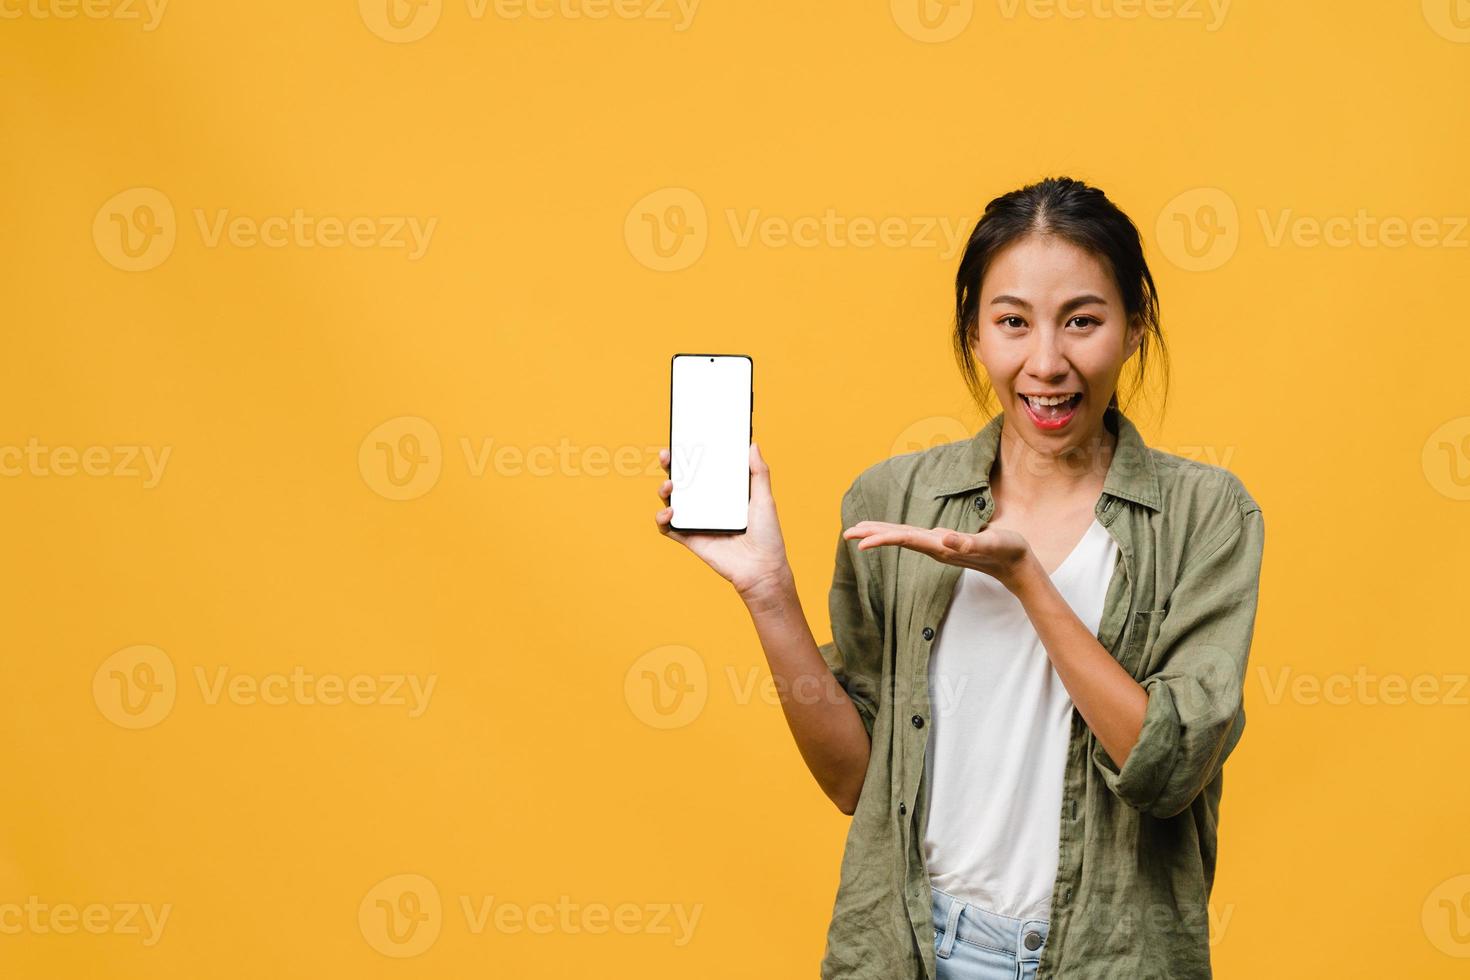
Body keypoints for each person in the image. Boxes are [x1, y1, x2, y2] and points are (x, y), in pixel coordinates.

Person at [655, 175, 1265, 979]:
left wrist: (1029, 583)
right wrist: (766, 590)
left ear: (1135, 326)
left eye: (1082, 321)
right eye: (1013, 322)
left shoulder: (1206, 514)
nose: (1047, 363)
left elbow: (1169, 774)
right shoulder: (894, 499)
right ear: (975, 333)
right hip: (911, 948)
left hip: (1107, 957)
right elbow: (852, 782)